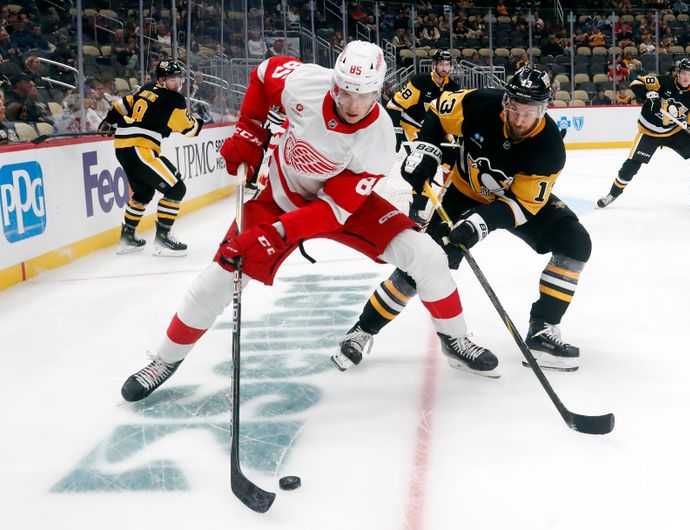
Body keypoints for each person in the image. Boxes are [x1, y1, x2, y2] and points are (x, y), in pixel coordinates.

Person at [119, 41, 496, 402]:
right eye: (344, 90)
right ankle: (164, 360)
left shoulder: (379, 138)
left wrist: (275, 235)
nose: (351, 103)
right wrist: (249, 129)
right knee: (219, 277)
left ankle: (455, 339)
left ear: (378, 91)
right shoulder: (306, 83)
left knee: (427, 256)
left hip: (339, 206)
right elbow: (265, 75)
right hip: (279, 197)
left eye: (362, 94)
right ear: (333, 80)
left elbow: (334, 211)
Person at [334, 66, 590, 374]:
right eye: (515, 108)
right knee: (422, 264)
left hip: (512, 202)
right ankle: (363, 330)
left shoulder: (549, 148)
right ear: (506, 100)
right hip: (464, 192)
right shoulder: (479, 103)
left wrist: (479, 223)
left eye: (530, 112)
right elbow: (436, 113)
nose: (519, 119)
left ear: (544, 108)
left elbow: (521, 204)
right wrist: (427, 150)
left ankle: (542, 332)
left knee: (575, 243)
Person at [99, 60, 204, 256]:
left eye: (178, 78)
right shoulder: (174, 99)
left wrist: (109, 120)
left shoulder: (147, 88)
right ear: (162, 80)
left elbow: (122, 104)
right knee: (176, 188)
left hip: (124, 148)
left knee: (143, 193)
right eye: (172, 79)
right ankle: (163, 239)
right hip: (140, 148)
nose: (177, 83)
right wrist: (199, 122)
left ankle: (127, 238)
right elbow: (188, 129)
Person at [596, 58, 690, 208]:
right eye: (683, 73)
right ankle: (612, 194)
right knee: (633, 164)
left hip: (673, 131)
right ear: (678, 73)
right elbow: (636, 83)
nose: (686, 77)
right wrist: (649, 95)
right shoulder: (663, 81)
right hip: (649, 132)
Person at [386, 49, 460, 221]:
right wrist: (396, 131)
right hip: (413, 127)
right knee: (425, 162)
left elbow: (454, 116)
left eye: (447, 64)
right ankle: (417, 208)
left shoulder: (453, 88)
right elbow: (394, 105)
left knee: (454, 162)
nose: (444, 67)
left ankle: (448, 202)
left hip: (435, 129)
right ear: (433, 65)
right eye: (440, 64)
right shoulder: (420, 81)